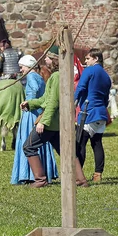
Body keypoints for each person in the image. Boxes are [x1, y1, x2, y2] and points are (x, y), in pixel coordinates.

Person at [20, 46, 88, 188]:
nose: (45, 60)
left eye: (48, 57)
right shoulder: (58, 75)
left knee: (28, 147)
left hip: (52, 122)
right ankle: (80, 180)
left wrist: (43, 122)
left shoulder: (57, 77)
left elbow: (52, 102)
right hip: (58, 123)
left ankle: (40, 180)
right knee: (66, 151)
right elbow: (45, 98)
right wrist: (30, 104)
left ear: (55, 60)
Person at [11, 55, 57, 185]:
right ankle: (42, 172)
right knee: (39, 143)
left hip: (31, 113)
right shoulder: (39, 76)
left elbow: (35, 89)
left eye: (22, 67)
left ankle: (30, 174)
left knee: (28, 141)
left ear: (29, 65)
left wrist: (29, 101)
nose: (21, 70)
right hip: (37, 112)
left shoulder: (31, 76)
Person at [74, 48, 111, 183]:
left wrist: (73, 102)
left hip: (88, 112)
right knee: (97, 144)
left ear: (95, 59)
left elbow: (81, 87)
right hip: (101, 112)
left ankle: (78, 176)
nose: (85, 61)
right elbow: (106, 98)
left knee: (80, 144)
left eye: (88, 58)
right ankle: (97, 175)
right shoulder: (106, 76)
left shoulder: (89, 71)